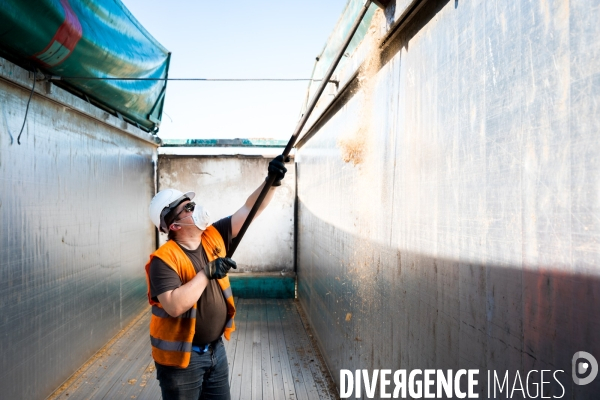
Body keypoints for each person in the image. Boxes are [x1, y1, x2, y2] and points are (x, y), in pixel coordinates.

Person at [144, 155, 288, 400]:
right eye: (188, 208)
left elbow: (249, 210)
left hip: (215, 351)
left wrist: (270, 182)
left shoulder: (213, 236)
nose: (196, 209)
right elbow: (175, 305)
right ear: (175, 225)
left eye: (192, 203)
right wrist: (206, 273)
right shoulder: (164, 259)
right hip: (182, 361)